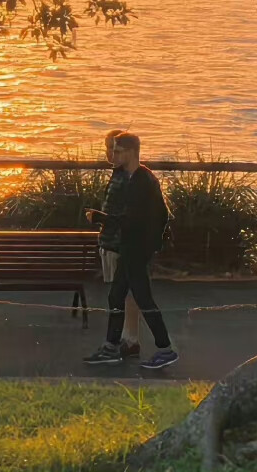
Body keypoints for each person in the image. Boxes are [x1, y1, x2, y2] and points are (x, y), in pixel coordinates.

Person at [83, 131, 178, 369]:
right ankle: (111, 346)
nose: (111, 155)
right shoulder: (131, 177)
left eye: (116, 151)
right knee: (116, 296)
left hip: (136, 250)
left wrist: (98, 218)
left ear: (130, 152)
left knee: (143, 298)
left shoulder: (143, 181)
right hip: (129, 248)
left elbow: (133, 219)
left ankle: (165, 349)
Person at [95, 129, 142, 357]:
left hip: (119, 244)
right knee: (124, 293)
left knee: (122, 294)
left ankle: (121, 341)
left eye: (114, 149)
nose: (109, 154)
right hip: (114, 242)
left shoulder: (127, 177)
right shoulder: (121, 175)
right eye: (107, 148)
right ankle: (128, 338)